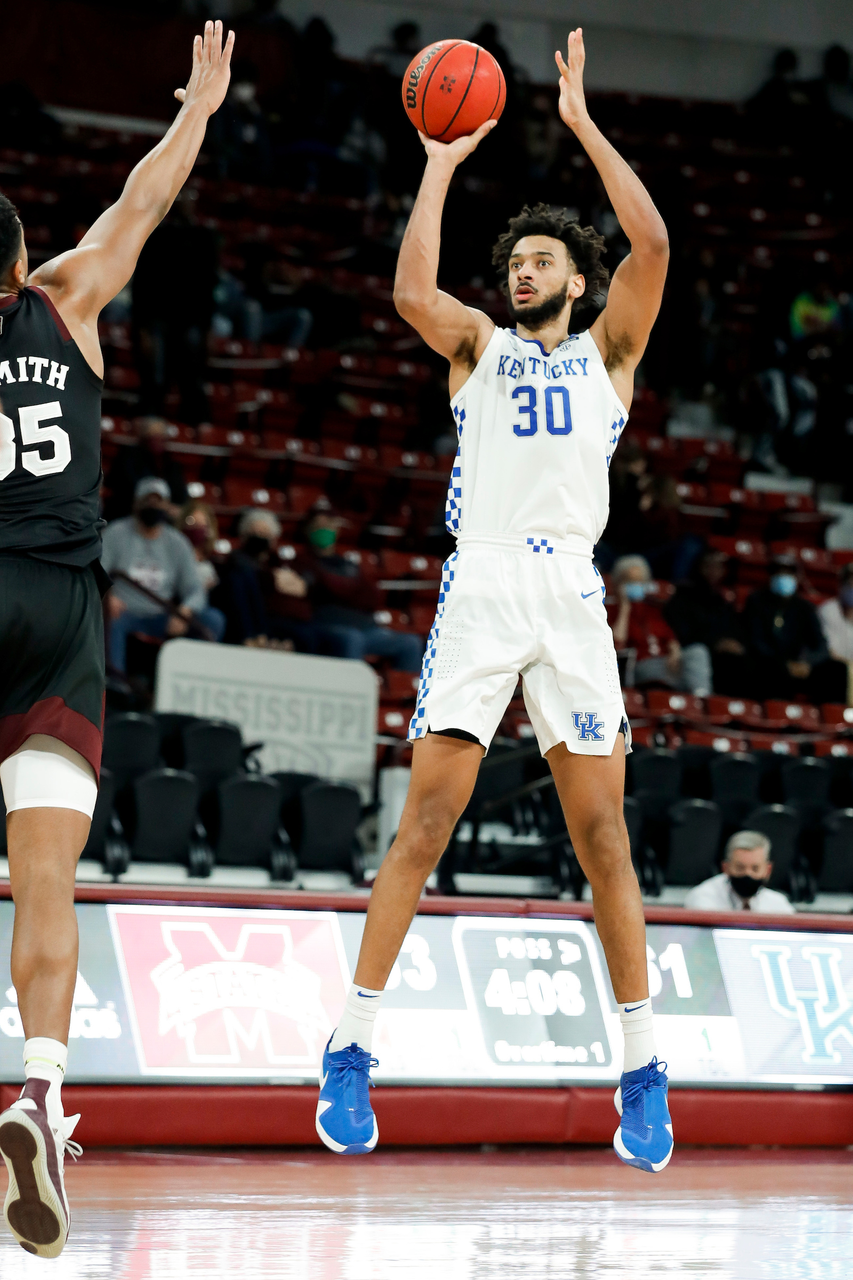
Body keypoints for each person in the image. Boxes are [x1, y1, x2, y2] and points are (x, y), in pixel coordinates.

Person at [315, 31, 673, 1175]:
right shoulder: (476, 345)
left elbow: (654, 239)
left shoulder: (611, 350)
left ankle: (642, 1069)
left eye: (537, 261)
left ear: (575, 277)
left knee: (603, 836)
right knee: (424, 823)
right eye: (511, 260)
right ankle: (351, 1048)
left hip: (569, 590)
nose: (519, 271)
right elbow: (410, 288)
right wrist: (438, 159)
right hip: (479, 583)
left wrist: (577, 124)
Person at [0, 21, 234, 1257]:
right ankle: (37, 1085)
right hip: (55, 605)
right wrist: (194, 109)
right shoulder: (66, 301)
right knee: (45, 873)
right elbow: (142, 203)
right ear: (23, 263)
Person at [102, 478, 225, 677]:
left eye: (158, 502)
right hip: (125, 612)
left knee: (213, 620)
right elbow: (97, 572)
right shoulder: (115, 533)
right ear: (136, 503)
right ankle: (116, 686)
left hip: (161, 615)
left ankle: (190, 682)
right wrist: (108, 596)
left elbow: (195, 589)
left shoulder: (177, 543)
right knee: (110, 620)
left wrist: (185, 609)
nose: (153, 506)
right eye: (147, 500)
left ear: (167, 506)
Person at [299, 510, 423, 671]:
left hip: (366, 628)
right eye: (320, 526)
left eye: (329, 527)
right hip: (328, 625)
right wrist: (350, 588)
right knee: (352, 639)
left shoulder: (348, 564)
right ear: (308, 530)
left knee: (411, 643)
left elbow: (373, 596)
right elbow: (325, 588)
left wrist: (340, 587)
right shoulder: (303, 563)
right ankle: (352, 693)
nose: (325, 531)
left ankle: (410, 693)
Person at [742, 555, 844, 702]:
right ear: (771, 576)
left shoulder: (804, 608)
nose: (783, 577)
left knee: (835, 669)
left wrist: (807, 662)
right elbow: (756, 641)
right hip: (770, 663)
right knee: (769, 669)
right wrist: (784, 664)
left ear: (795, 577)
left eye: (788, 573)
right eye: (779, 573)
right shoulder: (756, 602)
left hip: (800, 664)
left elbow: (821, 645)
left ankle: (832, 717)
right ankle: (775, 712)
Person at [608, 555, 713, 696]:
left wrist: (674, 650)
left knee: (698, 652)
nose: (636, 585)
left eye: (640, 581)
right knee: (652, 671)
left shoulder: (653, 609)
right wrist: (624, 608)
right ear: (618, 583)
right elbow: (617, 643)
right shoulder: (611, 610)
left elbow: (669, 636)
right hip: (640, 665)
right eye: (630, 581)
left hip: (666, 663)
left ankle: (702, 698)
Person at [665, 550, 751, 696]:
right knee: (703, 654)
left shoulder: (722, 601)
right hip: (695, 653)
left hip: (725, 657)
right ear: (700, 567)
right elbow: (682, 633)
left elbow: (735, 630)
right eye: (709, 566)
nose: (713, 571)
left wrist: (735, 644)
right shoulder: (683, 596)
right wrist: (716, 644)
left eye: (718, 567)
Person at [683, 831, 795, 914]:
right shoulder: (702, 900)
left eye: (755, 869)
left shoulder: (779, 905)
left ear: (768, 870)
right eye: (740, 868)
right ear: (725, 868)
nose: (748, 874)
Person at [103, 415, 188, 520]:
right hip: (127, 512)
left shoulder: (171, 463)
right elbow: (125, 487)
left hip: (163, 517)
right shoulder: (128, 456)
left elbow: (181, 495)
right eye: (152, 436)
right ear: (144, 437)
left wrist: (169, 507)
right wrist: (153, 501)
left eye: (160, 437)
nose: (156, 441)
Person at [817, 563, 853, 703]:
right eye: (850, 582)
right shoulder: (829, 610)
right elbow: (830, 651)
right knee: (836, 670)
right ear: (841, 585)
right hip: (836, 671)